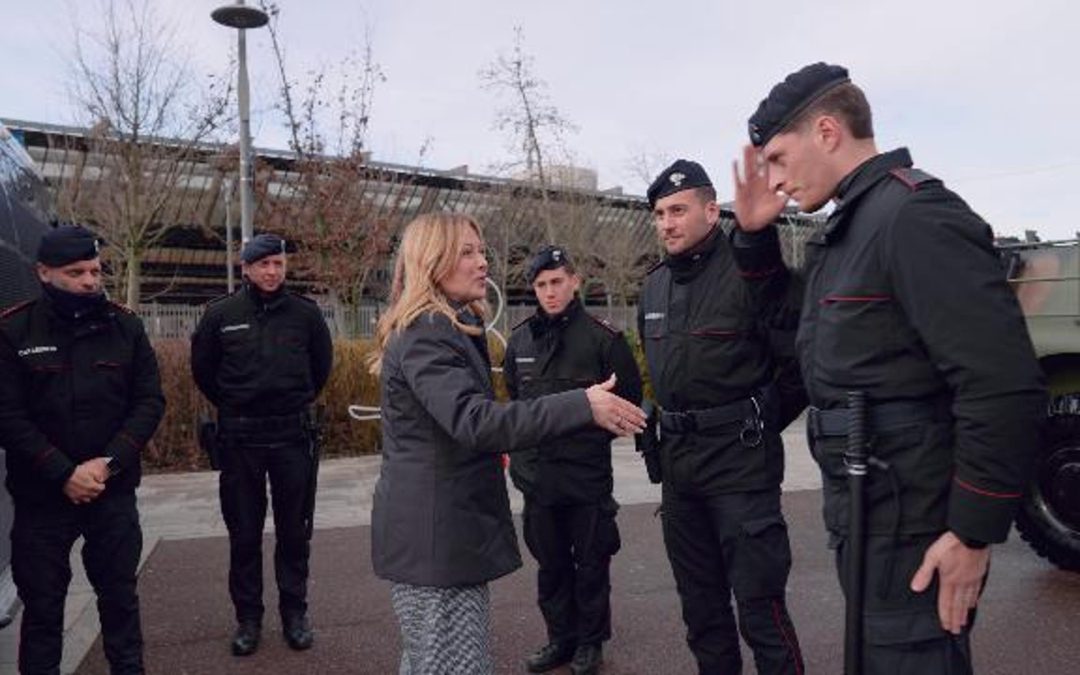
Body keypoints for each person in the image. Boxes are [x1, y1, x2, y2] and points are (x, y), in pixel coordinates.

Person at [732, 62, 1046, 674]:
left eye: (775, 157)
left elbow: (1001, 383)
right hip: (869, 513)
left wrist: (972, 534)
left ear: (826, 132)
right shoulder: (852, 227)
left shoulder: (913, 216)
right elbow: (798, 337)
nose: (772, 179)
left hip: (916, 531)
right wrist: (751, 239)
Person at [368, 213, 646, 675]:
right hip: (437, 541)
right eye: (467, 252)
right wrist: (581, 404)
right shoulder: (427, 331)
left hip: (444, 536)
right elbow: (476, 421)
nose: (483, 264)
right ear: (432, 262)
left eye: (482, 252)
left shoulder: (445, 326)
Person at [637, 160, 805, 675]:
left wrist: (756, 418)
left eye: (678, 210)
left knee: (761, 609)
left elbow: (799, 363)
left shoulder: (748, 275)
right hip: (680, 469)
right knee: (702, 611)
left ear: (712, 211)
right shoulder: (654, 287)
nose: (667, 222)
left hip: (741, 466)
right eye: (660, 213)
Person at [0, 225, 165, 674]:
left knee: (120, 603)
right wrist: (63, 472)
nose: (91, 281)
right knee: (43, 612)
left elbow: (149, 401)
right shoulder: (14, 331)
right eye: (76, 272)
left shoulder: (124, 326)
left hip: (110, 494)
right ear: (44, 272)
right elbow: (8, 416)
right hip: (42, 500)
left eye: (95, 270)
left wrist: (106, 465)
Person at [190, 233, 333, 656]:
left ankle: (295, 615)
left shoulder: (305, 315)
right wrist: (237, 405)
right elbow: (204, 371)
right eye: (264, 264)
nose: (272, 272)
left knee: (294, 532)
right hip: (240, 438)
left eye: (278, 264)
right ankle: (248, 619)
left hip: (291, 436)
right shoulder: (220, 315)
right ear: (246, 268)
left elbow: (321, 368)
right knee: (244, 534)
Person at [503, 246, 643, 675]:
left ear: (575, 281)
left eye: (557, 281)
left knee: (591, 564)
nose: (549, 291)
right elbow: (516, 400)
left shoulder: (604, 339)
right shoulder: (520, 340)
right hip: (538, 479)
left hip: (585, 479)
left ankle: (590, 643)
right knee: (551, 567)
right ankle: (559, 639)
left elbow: (629, 400)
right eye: (541, 284)